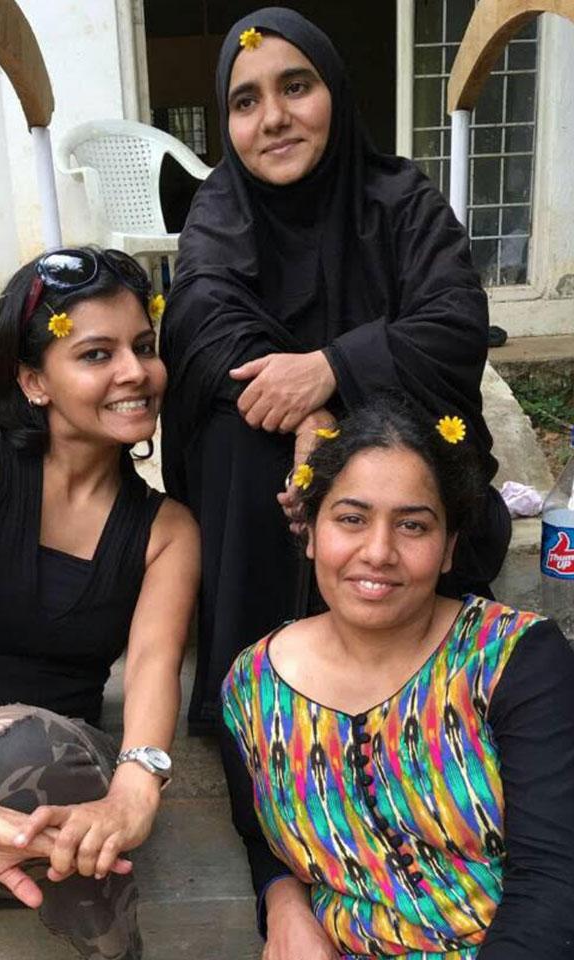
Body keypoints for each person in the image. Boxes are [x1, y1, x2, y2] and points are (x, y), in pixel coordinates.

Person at [160, 7, 511, 735]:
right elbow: (200, 321)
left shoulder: (402, 200)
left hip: (400, 437)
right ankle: (253, 699)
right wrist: (312, 415)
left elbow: (454, 323)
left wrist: (331, 372)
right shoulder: (219, 210)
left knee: (383, 445)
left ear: (337, 94)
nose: (274, 118)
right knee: (240, 423)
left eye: (297, 87)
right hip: (270, 471)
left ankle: (405, 674)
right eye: (246, 100)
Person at [221, 393, 574, 960]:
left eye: (412, 525)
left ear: (449, 547)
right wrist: (282, 899)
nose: (379, 551)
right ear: (310, 532)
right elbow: (259, 835)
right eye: (352, 519)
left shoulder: (512, 660)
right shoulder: (253, 688)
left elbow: (556, 880)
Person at [0, 248, 199, 959]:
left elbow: (152, 663)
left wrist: (138, 788)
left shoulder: (165, 530)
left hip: (45, 792)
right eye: (96, 354)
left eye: (143, 347)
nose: (134, 372)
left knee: (28, 747)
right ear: (33, 381)